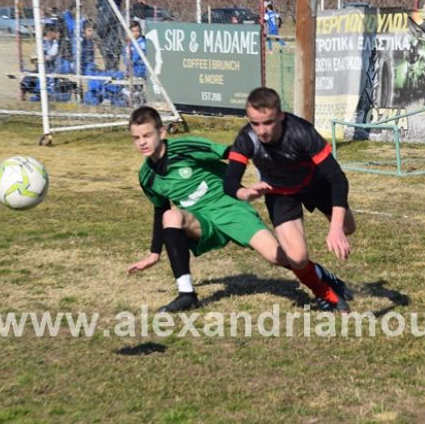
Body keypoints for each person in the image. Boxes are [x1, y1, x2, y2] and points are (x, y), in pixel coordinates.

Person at [127, 106, 353, 312]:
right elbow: (160, 210)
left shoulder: (185, 148)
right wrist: (154, 254)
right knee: (171, 215)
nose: (142, 142)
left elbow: (233, 153)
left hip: (230, 209)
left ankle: (323, 278)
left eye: (147, 135)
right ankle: (186, 293)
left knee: (279, 257)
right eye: (136, 138)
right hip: (201, 221)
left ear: (162, 132)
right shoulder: (146, 176)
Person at [223, 88, 356, 311]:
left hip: (315, 183)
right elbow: (229, 182)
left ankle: (325, 263)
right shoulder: (246, 138)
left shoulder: (301, 132)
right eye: (255, 123)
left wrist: (335, 228)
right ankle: (325, 291)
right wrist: (243, 192)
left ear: (281, 116)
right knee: (297, 257)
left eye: (268, 122)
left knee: (348, 227)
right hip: (280, 193)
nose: (262, 131)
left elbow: (338, 179)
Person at [95, 0, 124, 71]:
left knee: (114, 69)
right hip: (110, 44)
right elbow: (103, 24)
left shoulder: (115, 3)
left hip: (115, 43)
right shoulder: (109, 4)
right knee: (111, 72)